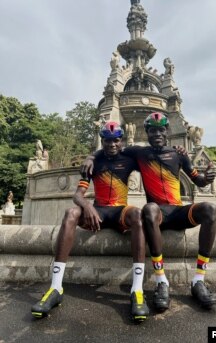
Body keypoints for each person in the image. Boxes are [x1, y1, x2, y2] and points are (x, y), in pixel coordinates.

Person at [82, 113, 216, 311]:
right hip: (157, 215)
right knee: (150, 208)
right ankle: (161, 281)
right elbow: (111, 147)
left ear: (167, 131)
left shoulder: (179, 154)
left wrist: (208, 178)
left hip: (179, 211)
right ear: (147, 133)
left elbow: (198, 181)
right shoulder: (140, 153)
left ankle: (198, 280)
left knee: (210, 209)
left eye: (161, 130)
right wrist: (90, 156)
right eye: (152, 130)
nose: (157, 134)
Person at [31, 121, 149, 322]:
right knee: (70, 213)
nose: (112, 144)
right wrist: (87, 206)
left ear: (121, 141)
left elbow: (151, 156)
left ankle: (137, 290)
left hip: (120, 210)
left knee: (137, 214)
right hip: (99, 211)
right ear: (102, 141)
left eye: (116, 140)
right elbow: (78, 195)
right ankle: (55, 287)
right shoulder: (94, 163)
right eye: (107, 141)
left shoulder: (129, 158)